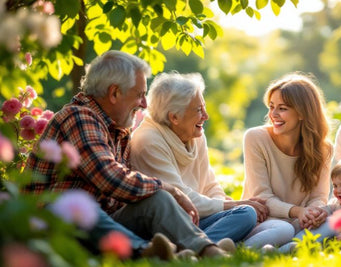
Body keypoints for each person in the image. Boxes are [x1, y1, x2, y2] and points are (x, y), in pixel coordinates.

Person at [24, 50, 226, 258]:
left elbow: (124, 195)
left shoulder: (117, 130)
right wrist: (171, 190)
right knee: (81, 207)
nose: (144, 104)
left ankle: (207, 250)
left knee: (157, 199)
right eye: (139, 94)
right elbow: (109, 177)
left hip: (101, 226)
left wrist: (163, 196)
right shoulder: (79, 116)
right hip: (53, 225)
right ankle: (147, 251)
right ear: (114, 93)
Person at [129, 72, 268, 243]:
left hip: (196, 217)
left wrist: (225, 204)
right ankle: (198, 247)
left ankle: (204, 244)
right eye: (198, 110)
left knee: (246, 213)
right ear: (174, 117)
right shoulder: (148, 141)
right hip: (168, 224)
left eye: (204, 107)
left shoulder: (195, 134)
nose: (206, 116)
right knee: (244, 212)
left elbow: (210, 183)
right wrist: (230, 205)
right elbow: (179, 197)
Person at [241, 73, 332, 248]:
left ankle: (284, 251)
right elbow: (261, 196)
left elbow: (319, 197)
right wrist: (298, 211)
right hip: (264, 222)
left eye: (282, 108)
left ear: (303, 113)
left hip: (299, 221)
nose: (273, 114)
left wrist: (314, 212)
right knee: (284, 230)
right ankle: (246, 249)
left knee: (333, 221)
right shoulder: (255, 138)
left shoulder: (324, 148)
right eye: (271, 106)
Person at [278, 154, 341, 253]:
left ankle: (287, 248)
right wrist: (316, 215)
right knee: (319, 223)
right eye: (335, 185)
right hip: (340, 239)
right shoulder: (339, 202)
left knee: (333, 226)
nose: (337, 190)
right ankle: (288, 245)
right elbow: (327, 209)